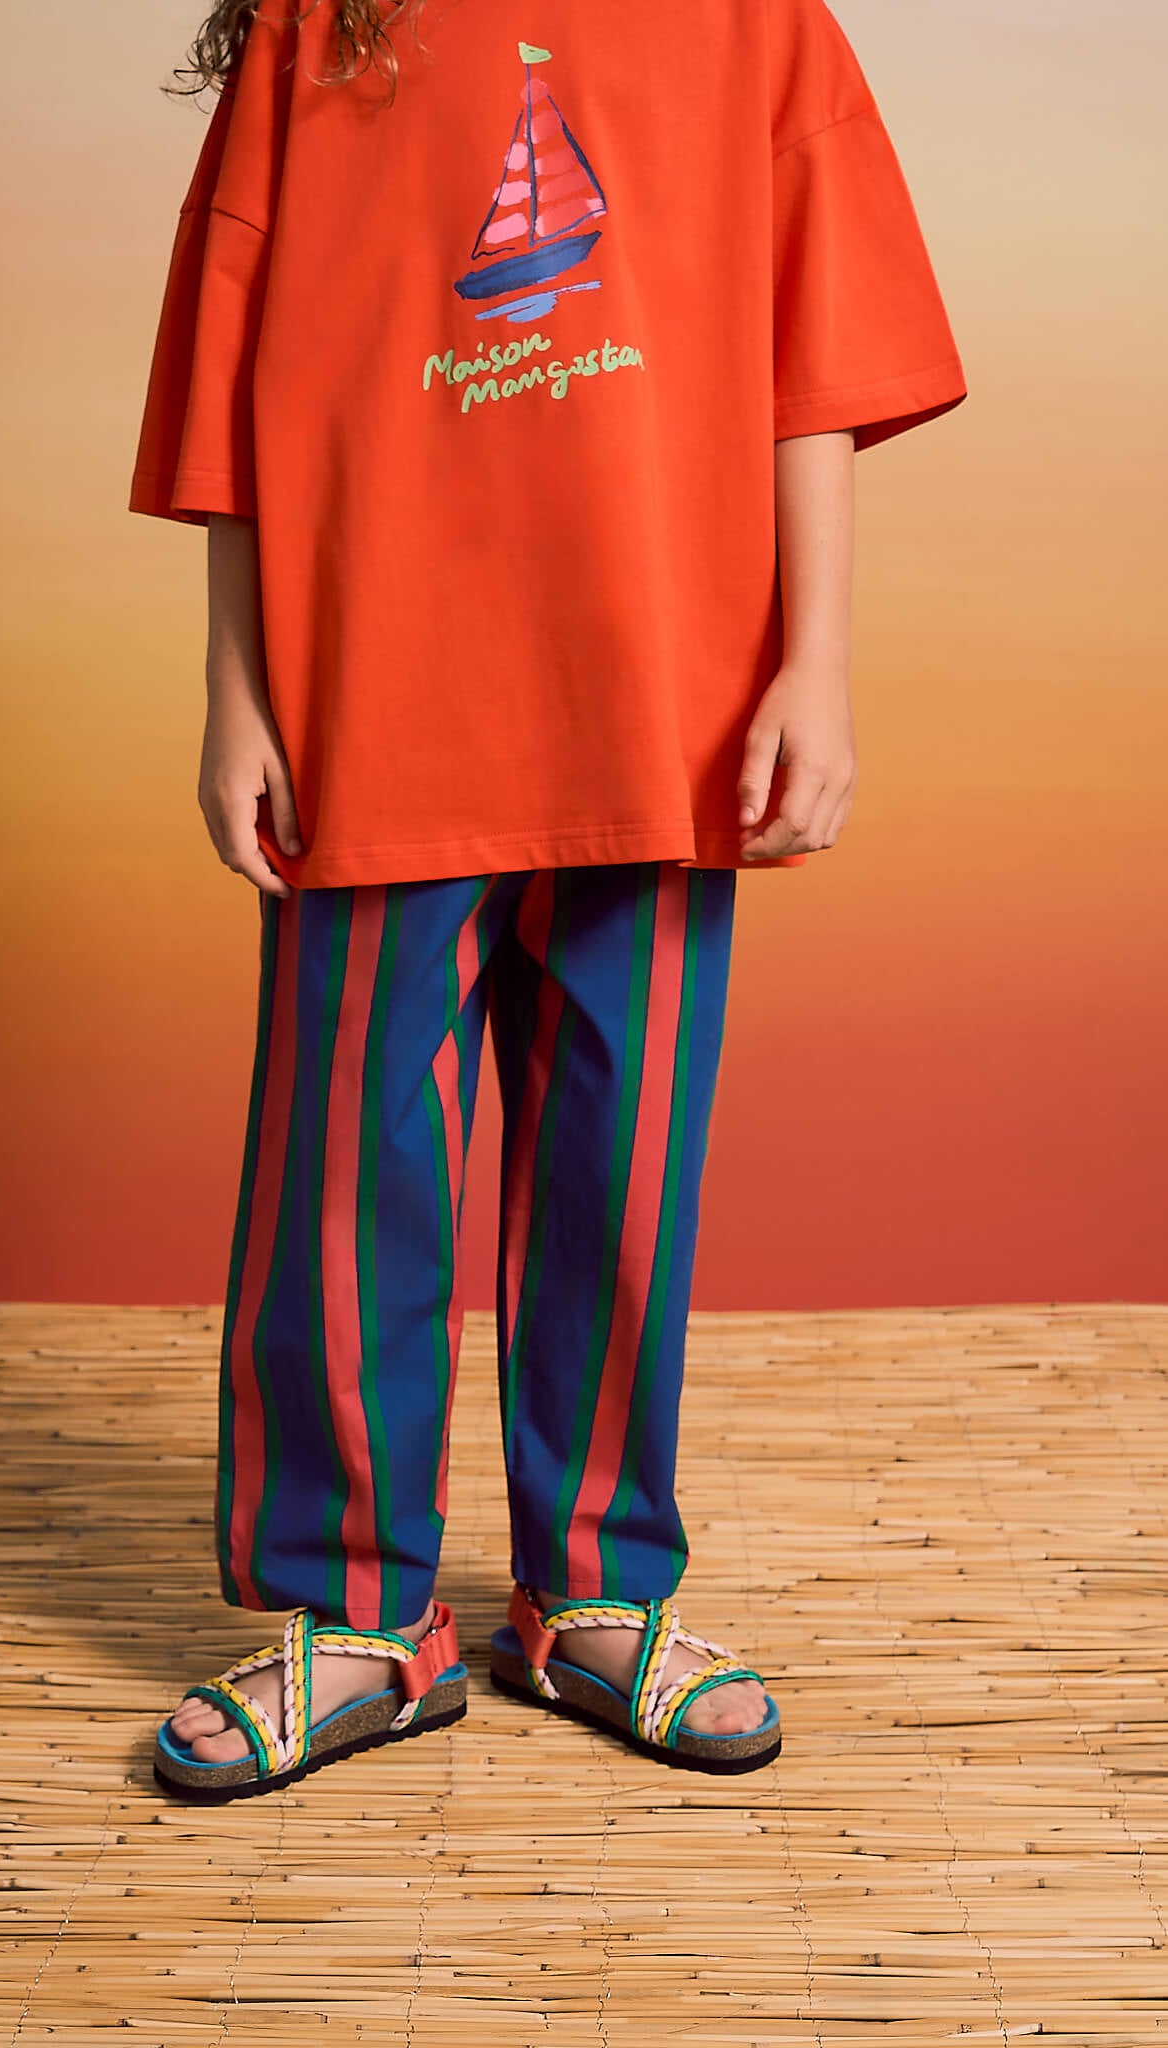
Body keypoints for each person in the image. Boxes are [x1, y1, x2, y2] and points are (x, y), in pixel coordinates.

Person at [130, 0, 966, 1799]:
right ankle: (354, 1616)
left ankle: (594, 1592)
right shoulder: (315, 33)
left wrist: (815, 667)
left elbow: (816, 362)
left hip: (661, 695)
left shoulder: (754, 27)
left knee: (619, 1156)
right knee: (347, 1171)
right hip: (372, 697)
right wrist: (233, 688)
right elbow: (229, 375)